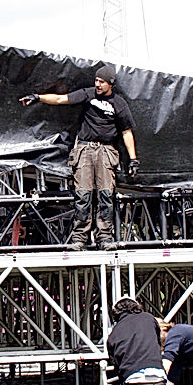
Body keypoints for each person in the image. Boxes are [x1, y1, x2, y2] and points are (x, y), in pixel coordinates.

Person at [20, 63, 139, 250]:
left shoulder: (119, 104)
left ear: (111, 84)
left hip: (106, 151)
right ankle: (79, 238)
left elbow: (126, 132)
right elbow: (61, 99)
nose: (98, 84)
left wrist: (133, 159)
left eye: (102, 82)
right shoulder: (88, 93)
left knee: (106, 195)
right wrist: (38, 98)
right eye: (96, 80)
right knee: (83, 195)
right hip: (84, 150)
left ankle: (105, 238)